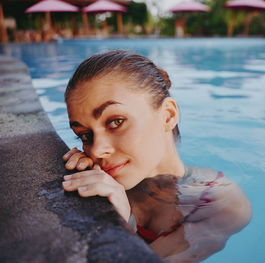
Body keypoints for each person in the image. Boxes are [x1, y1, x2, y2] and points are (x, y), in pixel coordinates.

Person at [62, 50, 252, 262]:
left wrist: (121, 225)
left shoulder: (219, 204)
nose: (96, 150)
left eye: (116, 122)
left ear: (168, 115)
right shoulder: (108, 182)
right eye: (85, 135)